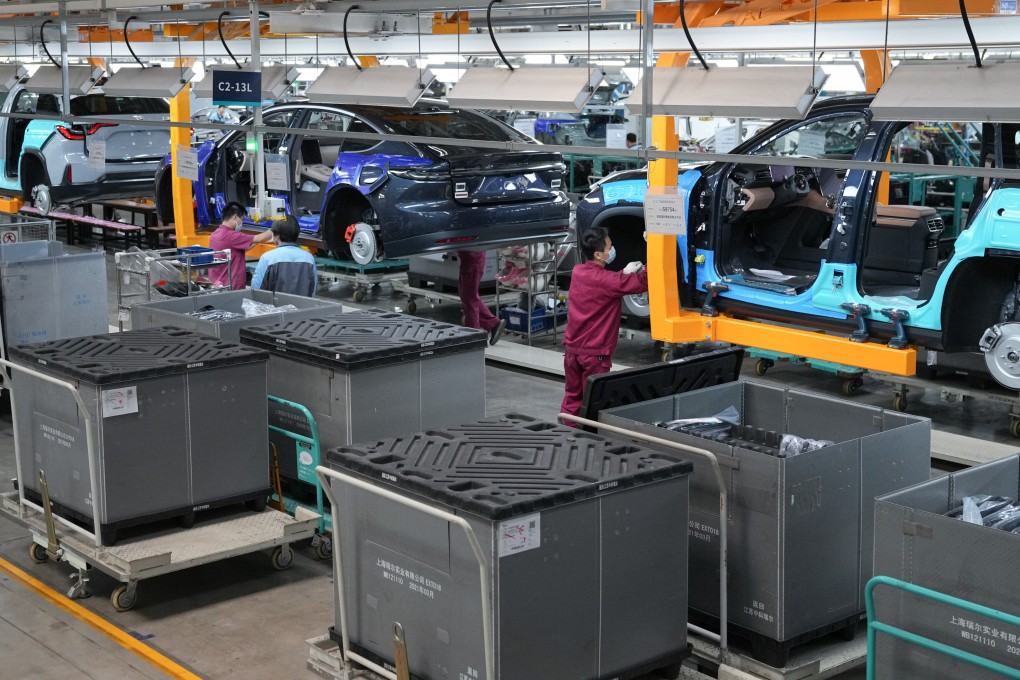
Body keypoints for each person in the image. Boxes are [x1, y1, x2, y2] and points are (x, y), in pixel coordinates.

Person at [560, 226, 647, 421]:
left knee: (572, 398)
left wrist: (622, 274)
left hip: (572, 351)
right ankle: (589, 440)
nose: (612, 249)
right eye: (609, 247)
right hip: (594, 355)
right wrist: (654, 249)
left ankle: (566, 433)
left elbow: (603, 283)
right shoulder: (609, 281)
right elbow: (643, 282)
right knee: (594, 402)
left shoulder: (578, 272)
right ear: (599, 254)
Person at [208, 202, 275, 290]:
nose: (241, 223)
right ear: (235, 217)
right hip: (232, 288)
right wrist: (276, 227)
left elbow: (236, 250)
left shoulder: (215, 234)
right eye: (242, 219)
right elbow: (259, 238)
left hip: (218, 285)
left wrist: (255, 242)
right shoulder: (232, 236)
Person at [251, 216, 317, 296]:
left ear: (277, 236)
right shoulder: (309, 258)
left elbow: (256, 289)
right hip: (302, 307)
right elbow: (312, 289)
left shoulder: (267, 258)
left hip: (274, 307)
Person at [458, 249, 506, 345]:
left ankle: (473, 338)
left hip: (472, 258)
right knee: (466, 294)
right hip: (470, 257)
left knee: (469, 298)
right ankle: (493, 323)